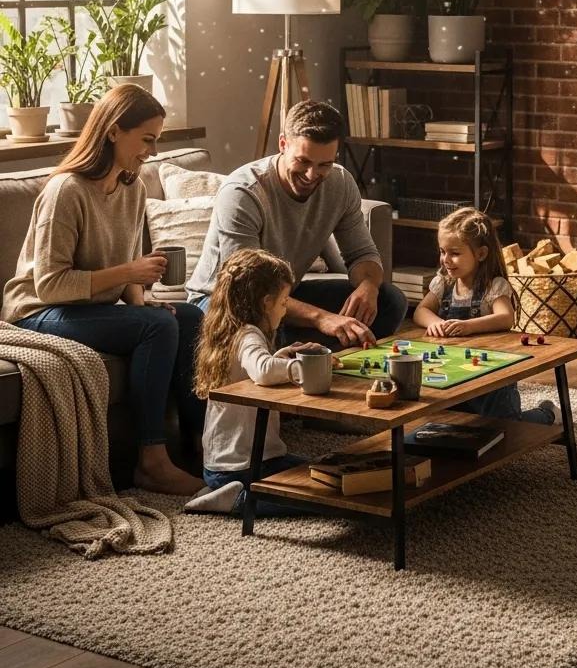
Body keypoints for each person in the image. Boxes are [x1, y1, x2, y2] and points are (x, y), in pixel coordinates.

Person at [2, 84, 205, 495]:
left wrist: (144, 301)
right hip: (38, 311)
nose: (151, 150)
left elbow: (129, 279)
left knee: (188, 316)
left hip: (87, 308)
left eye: (156, 140)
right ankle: (151, 462)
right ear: (114, 131)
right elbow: (50, 284)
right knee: (156, 327)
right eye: (146, 139)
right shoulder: (67, 191)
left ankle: (202, 448)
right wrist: (130, 273)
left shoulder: (133, 189)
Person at [187, 100, 406, 348]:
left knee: (390, 300)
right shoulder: (243, 193)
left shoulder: (341, 183)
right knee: (263, 321)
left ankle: (331, 368)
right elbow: (248, 289)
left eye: (324, 164)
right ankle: (303, 364)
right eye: (303, 161)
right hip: (224, 301)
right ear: (283, 144)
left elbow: (362, 253)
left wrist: (368, 286)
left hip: (285, 294)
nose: (312, 175)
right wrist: (322, 318)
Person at [186, 248, 321, 515]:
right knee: (319, 495)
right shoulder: (249, 334)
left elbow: (250, 370)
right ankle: (236, 500)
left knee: (318, 470)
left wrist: (281, 356)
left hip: (225, 466)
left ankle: (221, 490)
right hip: (244, 466)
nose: (285, 310)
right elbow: (262, 371)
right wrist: (301, 367)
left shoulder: (231, 332)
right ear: (266, 303)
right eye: (284, 303)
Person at [413, 207, 560, 425]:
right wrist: (436, 323)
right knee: (457, 422)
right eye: (443, 252)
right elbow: (420, 311)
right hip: (454, 373)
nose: (446, 259)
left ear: (481, 254)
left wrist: (468, 326)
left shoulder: (494, 286)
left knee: (507, 425)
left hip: (492, 375)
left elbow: (505, 317)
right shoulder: (443, 283)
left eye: (454, 253)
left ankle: (549, 414)